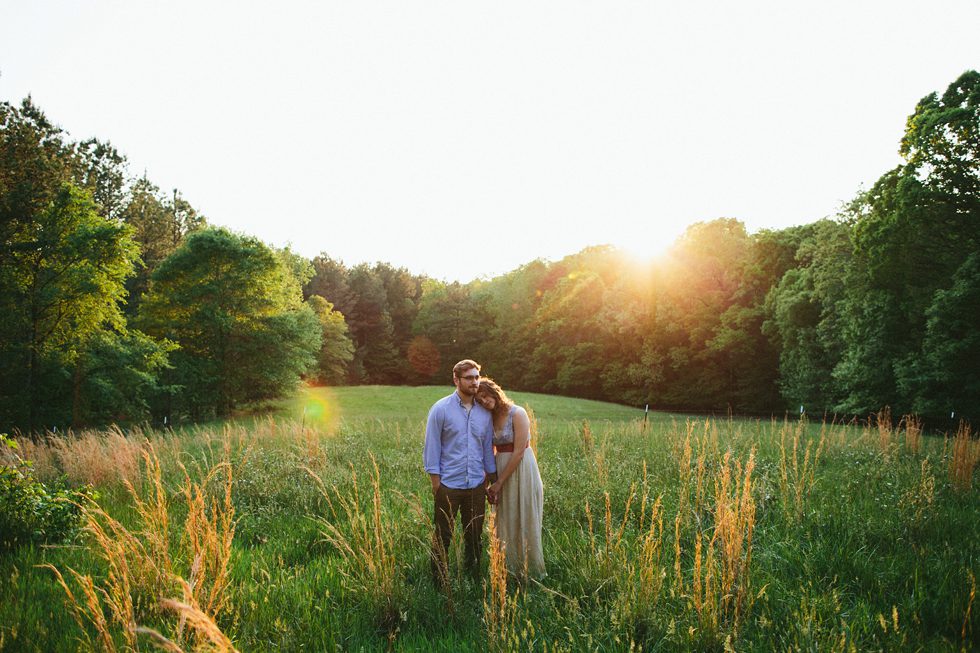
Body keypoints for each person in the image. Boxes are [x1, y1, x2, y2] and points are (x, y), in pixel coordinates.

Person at [423, 359, 497, 584]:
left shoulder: (484, 413)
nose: (474, 382)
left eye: (476, 377)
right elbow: (432, 447)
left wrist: (491, 480)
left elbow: (486, 449)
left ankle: (473, 576)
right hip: (449, 485)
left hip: (476, 485)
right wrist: (437, 484)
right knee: (443, 535)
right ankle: (439, 579)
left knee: (474, 535)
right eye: (469, 378)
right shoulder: (440, 409)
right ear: (456, 380)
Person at [476, 377, 545, 579]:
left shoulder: (517, 413)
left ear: (494, 392)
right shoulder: (488, 419)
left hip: (521, 468)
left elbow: (518, 452)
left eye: (485, 396)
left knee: (524, 513)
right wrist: (489, 481)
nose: (484, 401)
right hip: (499, 468)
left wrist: (499, 482)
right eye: (479, 400)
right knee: (505, 516)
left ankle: (530, 570)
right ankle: (508, 568)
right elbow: (489, 450)